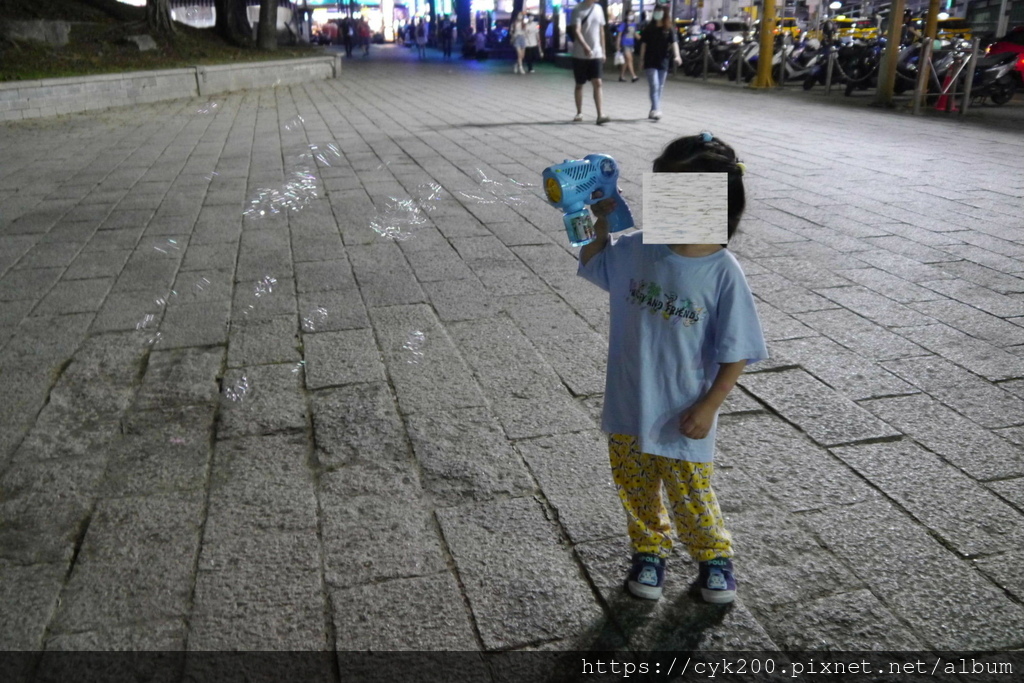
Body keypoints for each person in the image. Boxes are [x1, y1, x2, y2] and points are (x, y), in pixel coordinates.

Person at [576, 132, 767, 604]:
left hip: (684, 411)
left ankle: (713, 556)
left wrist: (710, 405)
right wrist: (599, 227)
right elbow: (594, 264)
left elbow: (737, 348)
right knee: (635, 486)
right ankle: (649, 549)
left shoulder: (723, 272)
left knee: (690, 492)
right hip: (628, 402)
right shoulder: (637, 249)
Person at [639, 2, 682, 120]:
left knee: (660, 86)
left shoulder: (669, 29)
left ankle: (653, 109)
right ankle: (657, 109)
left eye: (660, 11)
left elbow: (674, 42)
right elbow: (643, 44)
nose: (657, 14)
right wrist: (642, 60)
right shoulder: (649, 28)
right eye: (656, 11)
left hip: (663, 60)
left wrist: (677, 56)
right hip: (650, 60)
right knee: (654, 85)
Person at [570, 0, 610, 124]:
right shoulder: (578, 9)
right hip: (580, 54)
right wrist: (585, 46)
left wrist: (603, 51)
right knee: (579, 84)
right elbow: (576, 31)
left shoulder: (598, 9)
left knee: (598, 82)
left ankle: (600, 114)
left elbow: (601, 31)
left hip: (596, 53)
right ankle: (579, 112)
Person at [617, 11, 640, 82]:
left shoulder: (634, 25)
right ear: (626, 16)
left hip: (631, 44)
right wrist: (618, 45)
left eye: (632, 14)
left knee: (627, 61)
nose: (631, 16)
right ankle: (634, 76)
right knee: (630, 59)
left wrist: (644, 40)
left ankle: (621, 76)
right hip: (625, 44)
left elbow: (635, 35)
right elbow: (619, 35)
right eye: (630, 14)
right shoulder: (623, 24)